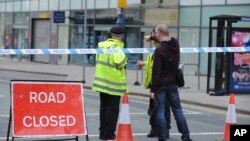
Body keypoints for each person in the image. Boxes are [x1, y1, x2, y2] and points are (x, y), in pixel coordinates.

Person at [150, 24, 192, 141]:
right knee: (178, 110)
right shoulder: (176, 44)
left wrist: (153, 89)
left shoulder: (159, 50)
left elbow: (156, 72)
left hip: (161, 85)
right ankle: (186, 136)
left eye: (156, 34)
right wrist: (152, 37)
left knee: (160, 111)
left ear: (158, 34)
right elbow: (166, 38)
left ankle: (163, 137)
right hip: (173, 83)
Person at [92, 26, 128, 141]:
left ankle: (102, 133)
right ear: (121, 36)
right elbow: (121, 62)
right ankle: (109, 133)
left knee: (103, 108)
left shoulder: (102, 46)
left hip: (101, 83)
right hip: (113, 84)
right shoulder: (116, 47)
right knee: (112, 110)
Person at [136, 27, 171, 138]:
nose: (154, 38)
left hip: (160, 84)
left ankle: (163, 129)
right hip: (154, 83)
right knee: (154, 108)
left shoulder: (163, 48)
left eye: (155, 35)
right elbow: (153, 64)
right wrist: (144, 63)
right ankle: (155, 128)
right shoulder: (156, 50)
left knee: (161, 108)